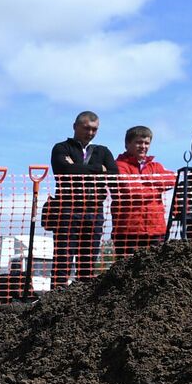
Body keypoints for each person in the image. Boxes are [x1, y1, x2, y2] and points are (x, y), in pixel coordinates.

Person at [48, 112, 117, 286]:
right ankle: (56, 296)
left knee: (88, 258)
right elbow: (64, 170)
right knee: (63, 256)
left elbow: (114, 175)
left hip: (94, 211)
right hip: (67, 209)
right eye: (86, 128)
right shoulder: (61, 148)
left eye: (94, 129)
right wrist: (99, 170)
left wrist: (77, 168)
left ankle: (83, 298)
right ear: (75, 126)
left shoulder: (103, 151)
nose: (91, 133)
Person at [112, 125, 177, 257]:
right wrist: (156, 186)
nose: (143, 146)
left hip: (156, 229)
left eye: (146, 143)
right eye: (138, 142)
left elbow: (173, 179)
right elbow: (130, 190)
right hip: (127, 231)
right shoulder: (118, 165)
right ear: (127, 144)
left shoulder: (155, 165)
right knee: (126, 274)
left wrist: (144, 180)